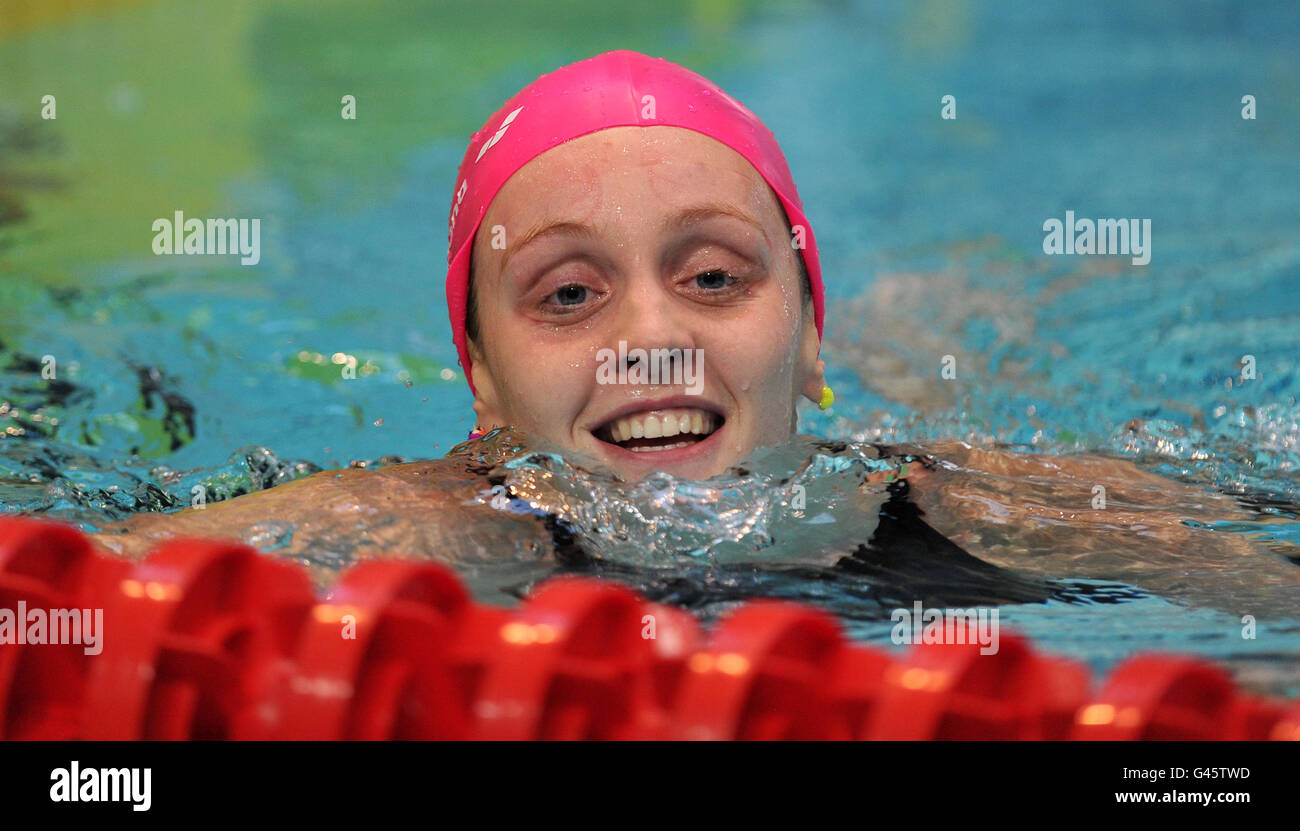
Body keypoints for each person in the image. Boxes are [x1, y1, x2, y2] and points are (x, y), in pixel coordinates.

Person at [95, 52, 1278, 618]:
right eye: (567, 295)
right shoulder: (412, 528)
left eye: (713, 276)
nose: (651, 337)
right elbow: (69, 592)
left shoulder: (993, 510)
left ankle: (959, 310)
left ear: (811, 335)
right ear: (483, 377)